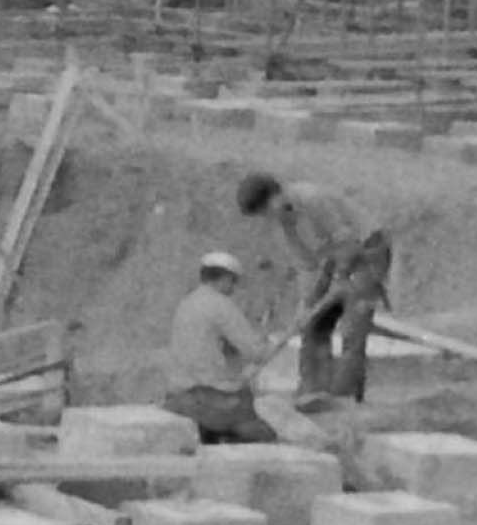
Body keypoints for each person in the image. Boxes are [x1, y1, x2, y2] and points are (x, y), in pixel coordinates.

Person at [239, 171, 391, 405]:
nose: (267, 218)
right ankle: (312, 391)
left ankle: (344, 397)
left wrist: (341, 279)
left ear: (276, 195)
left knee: (353, 324)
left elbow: (347, 242)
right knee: (313, 325)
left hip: (367, 251)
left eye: (266, 211)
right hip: (332, 258)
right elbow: (307, 266)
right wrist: (306, 303)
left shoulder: (312, 199)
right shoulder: (283, 224)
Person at [163, 250, 275, 444]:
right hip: (212, 400)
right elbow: (256, 352)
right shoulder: (221, 305)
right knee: (265, 436)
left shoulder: (186, 304)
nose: (233, 288)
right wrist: (267, 342)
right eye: (233, 282)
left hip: (178, 396)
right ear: (225, 278)